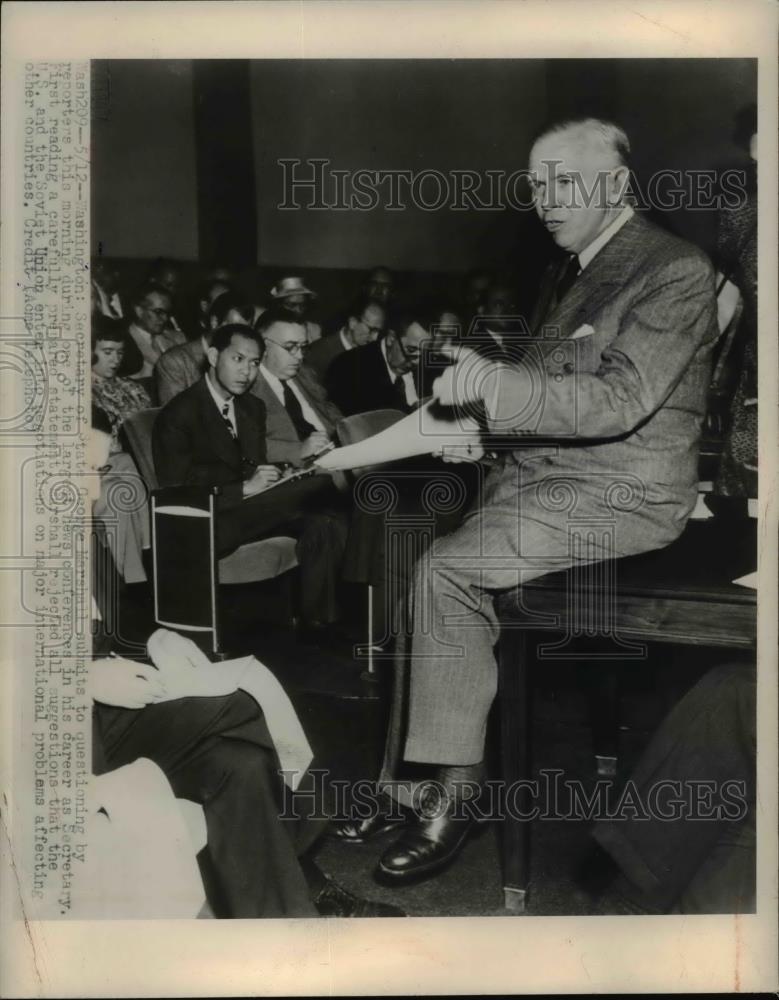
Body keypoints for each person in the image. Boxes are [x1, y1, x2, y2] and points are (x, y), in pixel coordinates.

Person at [365, 117, 719, 883]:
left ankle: (453, 796)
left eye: (564, 180)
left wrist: (495, 387)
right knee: (421, 584)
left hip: (623, 492)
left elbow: (618, 400)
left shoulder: (674, 267)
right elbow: (551, 399)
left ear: (616, 184)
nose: (545, 199)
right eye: (536, 184)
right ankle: (415, 782)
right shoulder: (582, 266)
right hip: (553, 481)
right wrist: (481, 430)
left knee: (445, 572)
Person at [88, 418, 404, 919]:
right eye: (82, 470)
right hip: (72, 735)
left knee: (242, 763)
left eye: (102, 470)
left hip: (113, 708)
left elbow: (111, 612)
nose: (96, 486)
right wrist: (80, 680)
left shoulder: (74, 521)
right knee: (240, 698)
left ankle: (286, 920)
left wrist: (153, 635)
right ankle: (315, 822)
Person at [152, 323, 347, 629]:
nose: (246, 371)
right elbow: (176, 490)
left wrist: (274, 476)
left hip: (253, 511)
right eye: (238, 359)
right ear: (214, 356)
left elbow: (252, 464)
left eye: (255, 363)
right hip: (210, 517)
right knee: (320, 487)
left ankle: (319, 624)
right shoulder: (179, 414)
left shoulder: (251, 407)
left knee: (322, 522)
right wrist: (243, 487)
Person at [91, 319, 151, 584]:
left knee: (128, 482)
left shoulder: (132, 388)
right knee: (128, 469)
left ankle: (138, 575)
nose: (115, 359)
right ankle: (148, 555)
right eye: (107, 352)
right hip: (104, 464)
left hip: (135, 463)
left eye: (120, 352)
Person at [253, 308, 343, 468]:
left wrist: (349, 434)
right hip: (296, 471)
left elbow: (330, 412)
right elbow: (245, 444)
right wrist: (298, 450)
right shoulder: (246, 387)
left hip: (336, 455)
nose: (300, 356)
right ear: (263, 346)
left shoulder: (305, 373)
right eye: (290, 347)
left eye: (302, 347)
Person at [326, 310, 433, 416]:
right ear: (391, 338)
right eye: (411, 350)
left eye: (424, 353)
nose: (417, 361)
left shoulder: (426, 368)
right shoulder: (349, 368)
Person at [155, 291, 254, 405]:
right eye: (233, 329)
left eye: (245, 332)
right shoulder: (174, 362)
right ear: (214, 322)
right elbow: (174, 417)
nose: (240, 339)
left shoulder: (247, 362)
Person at [121, 282, 186, 392]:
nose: (165, 318)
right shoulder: (123, 343)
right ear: (139, 311)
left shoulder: (178, 338)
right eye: (158, 312)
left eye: (167, 312)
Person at [305, 295, 386, 382]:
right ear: (353, 322)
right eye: (372, 330)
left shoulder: (370, 354)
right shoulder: (320, 353)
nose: (375, 338)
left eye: (378, 332)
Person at [268, 275, 322, 343]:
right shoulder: (268, 329)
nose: (298, 310)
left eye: (302, 305)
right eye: (291, 305)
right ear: (279, 304)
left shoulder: (314, 329)